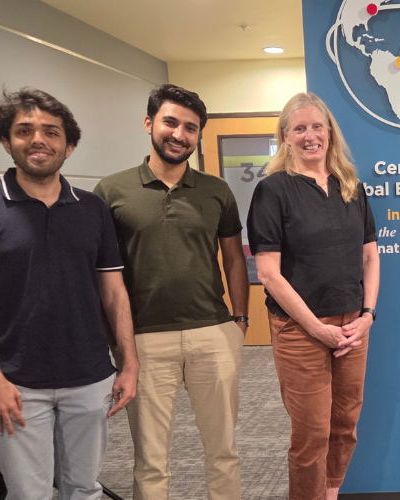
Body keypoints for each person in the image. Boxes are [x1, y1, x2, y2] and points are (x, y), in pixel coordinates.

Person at [0, 88, 138, 500]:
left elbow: (114, 292)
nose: (38, 140)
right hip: (15, 382)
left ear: (68, 146)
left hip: (89, 376)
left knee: (83, 489)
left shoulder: (92, 208)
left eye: (51, 132)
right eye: (24, 130)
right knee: (28, 494)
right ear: (5, 141)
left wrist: (129, 362)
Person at [93, 84, 249, 500]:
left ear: (198, 136)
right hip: (142, 340)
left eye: (191, 128)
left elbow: (234, 258)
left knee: (223, 451)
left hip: (213, 332)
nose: (179, 134)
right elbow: (102, 277)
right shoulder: (111, 192)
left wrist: (240, 320)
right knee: (150, 459)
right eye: (170, 122)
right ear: (149, 123)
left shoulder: (216, 191)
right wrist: (118, 344)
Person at [247, 92, 379, 500]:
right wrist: (317, 329)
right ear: (285, 137)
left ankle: (331, 493)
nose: (310, 136)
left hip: (354, 325)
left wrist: (368, 315)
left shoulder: (351, 187)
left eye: (316, 127)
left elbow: (370, 257)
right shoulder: (273, 191)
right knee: (311, 433)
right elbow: (268, 272)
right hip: (300, 331)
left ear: (329, 133)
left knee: (344, 423)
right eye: (299, 128)